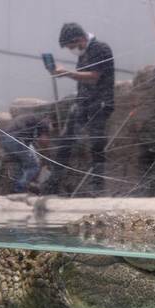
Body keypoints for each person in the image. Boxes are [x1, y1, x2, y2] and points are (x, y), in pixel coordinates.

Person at [43, 22, 115, 195]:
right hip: (83, 103)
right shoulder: (83, 54)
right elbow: (82, 80)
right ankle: (52, 183)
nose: (72, 50)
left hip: (100, 103)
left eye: (72, 46)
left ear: (81, 39)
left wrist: (67, 73)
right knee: (65, 141)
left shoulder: (100, 48)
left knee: (96, 143)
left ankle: (97, 188)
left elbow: (94, 77)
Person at [0, 113, 51, 194]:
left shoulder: (29, 118)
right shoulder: (44, 121)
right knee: (33, 166)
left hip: (4, 139)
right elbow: (43, 140)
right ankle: (19, 188)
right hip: (16, 140)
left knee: (20, 164)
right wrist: (48, 154)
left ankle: (18, 187)